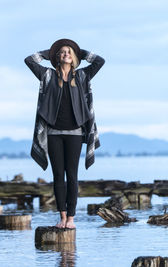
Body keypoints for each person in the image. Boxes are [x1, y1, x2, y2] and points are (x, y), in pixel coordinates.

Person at [24, 39, 105, 228]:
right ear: (57, 58)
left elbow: (99, 61)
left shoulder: (83, 76)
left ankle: (71, 218)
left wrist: (79, 51)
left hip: (75, 133)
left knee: (72, 175)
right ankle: (62, 217)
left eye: (69, 52)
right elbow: (30, 60)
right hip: (53, 133)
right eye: (62, 52)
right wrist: (50, 52)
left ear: (74, 57)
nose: (66, 54)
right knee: (58, 176)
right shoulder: (48, 75)